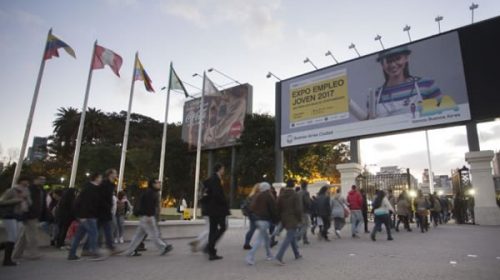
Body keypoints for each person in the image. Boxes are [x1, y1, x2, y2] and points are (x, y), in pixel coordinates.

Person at [369, 46, 443, 119]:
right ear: (382, 64)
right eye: (388, 61)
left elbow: (444, 115)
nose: (393, 65)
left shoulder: (427, 85)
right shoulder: (374, 96)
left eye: (398, 58)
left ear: (406, 58)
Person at [123, 179, 173, 257]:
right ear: (153, 184)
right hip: (148, 217)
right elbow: (148, 206)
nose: (159, 184)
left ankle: (130, 251)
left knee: (138, 236)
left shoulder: (149, 192)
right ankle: (163, 247)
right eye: (157, 183)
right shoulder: (151, 193)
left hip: (144, 216)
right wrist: (150, 215)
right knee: (154, 234)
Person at [68, 173, 104, 261]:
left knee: (79, 236)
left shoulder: (89, 188)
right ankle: (94, 252)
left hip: (86, 215)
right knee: (93, 233)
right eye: (100, 177)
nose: (101, 179)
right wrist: (82, 215)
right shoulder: (90, 189)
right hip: (88, 215)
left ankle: (72, 254)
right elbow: (86, 203)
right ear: (96, 178)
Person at [13, 176, 47, 260]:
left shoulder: (40, 190)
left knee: (24, 236)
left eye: (44, 180)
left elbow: (41, 204)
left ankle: (16, 254)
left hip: (33, 214)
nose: (43, 181)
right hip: (30, 215)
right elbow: (27, 202)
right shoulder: (30, 189)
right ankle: (33, 254)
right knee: (32, 236)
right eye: (41, 179)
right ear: (35, 180)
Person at [245, 182, 278, 265]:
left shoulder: (257, 195)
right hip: (264, 220)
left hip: (256, 220)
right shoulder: (268, 196)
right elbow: (273, 209)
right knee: (259, 240)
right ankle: (250, 256)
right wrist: (275, 220)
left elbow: (251, 207)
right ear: (267, 188)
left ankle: (269, 254)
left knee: (266, 238)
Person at [0, 176, 31, 266]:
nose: (25, 185)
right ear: (20, 182)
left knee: (15, 237)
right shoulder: (11, 191)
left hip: (19, 216)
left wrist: (26, 197)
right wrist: (17, 200)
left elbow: (29, 203)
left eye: (27, 184)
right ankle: (7, 260)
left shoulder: (26, 192)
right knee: (12, 236)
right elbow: (1, 201)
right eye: (24, 184)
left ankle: (8, 258)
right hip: (9, 216)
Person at [203, 163, 230, 261]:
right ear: (219, 169)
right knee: (223, 227)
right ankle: (209, 247)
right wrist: (224, 202)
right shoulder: (215, 179)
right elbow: (216, 194)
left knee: (213, 230)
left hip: (212, 209)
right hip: (217, 209)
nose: (224, 171)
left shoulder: (212, 179)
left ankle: (211, 252)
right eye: (223, 169)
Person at [274, 179, 303, 265]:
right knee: (289, 237)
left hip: (284, 218)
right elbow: (298, 209)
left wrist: (280, 218)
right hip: (293, 219)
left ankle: (297, 254)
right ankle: (279, 256)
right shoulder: (295, 195)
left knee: (292, 237)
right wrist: (300, 219)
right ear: (294, 186)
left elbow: (278, 207)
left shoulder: (281, 195)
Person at [98, 169, 118, 252]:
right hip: (102, 210)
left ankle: (110, 246)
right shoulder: (105, 184)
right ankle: (109, 246)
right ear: (110, 174)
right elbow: (102, 197)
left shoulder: (111, 184)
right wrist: (106, 206)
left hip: (106, 210)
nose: (116, 174)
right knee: (100, 229)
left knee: (108, 228)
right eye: (115, 173)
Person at [242, 183, 260, 250]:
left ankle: (246, 243)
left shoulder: (250, 195)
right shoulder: (258, 195)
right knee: (264, 229)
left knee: (252, 230)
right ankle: (270, 242)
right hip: (257, 215)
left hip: (251, 215)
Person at [296, 180, 312, 245]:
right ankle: (297, 237)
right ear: (306, 186)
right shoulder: (306, 192)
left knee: (301, 225)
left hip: (298, 211)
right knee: (305, 225)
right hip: (304, 211)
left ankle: (305, 239)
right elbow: (307, 202)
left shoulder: (297, 192)